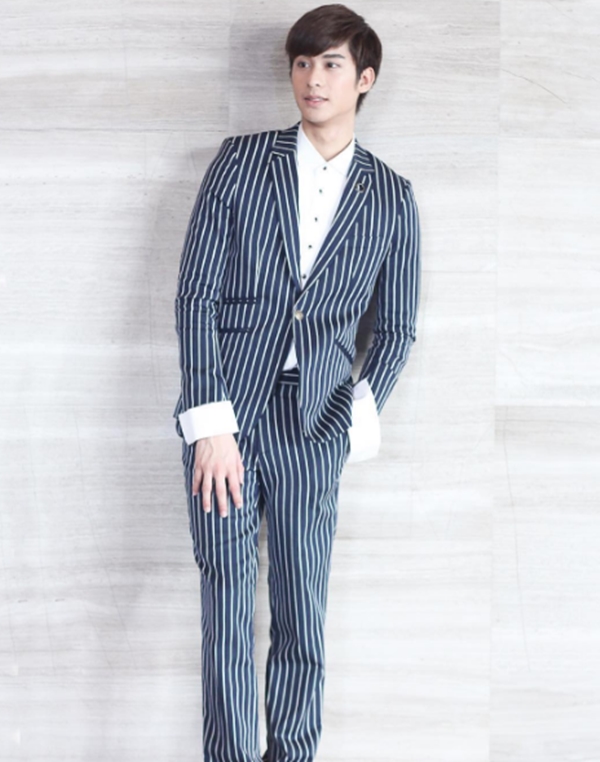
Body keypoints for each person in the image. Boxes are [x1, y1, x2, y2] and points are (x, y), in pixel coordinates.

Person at [173, 4, 421, 761]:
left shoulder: (392, 197)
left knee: (301, 613)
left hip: (315, 425)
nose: (313, 78)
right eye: (303, 63)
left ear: (364, 79)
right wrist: (210, 424)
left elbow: (396, 328)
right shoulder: (239, 164)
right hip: (227, 415)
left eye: (332, 64)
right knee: (225, 607)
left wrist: (352, 418)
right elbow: (196, 296)